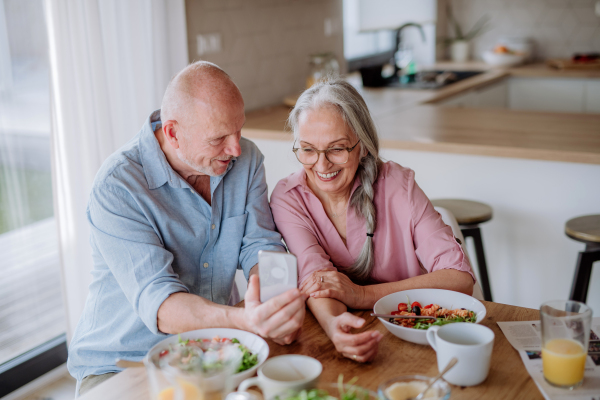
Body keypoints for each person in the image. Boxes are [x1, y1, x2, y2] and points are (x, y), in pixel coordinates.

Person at [67, 62, 307, 395]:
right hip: (123, 364)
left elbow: (261, 245)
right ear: (173, 133)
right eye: (219, 138)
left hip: (215, 351)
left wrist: (276, 302)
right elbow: (161, 305)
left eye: (239, 130)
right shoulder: (118, 186)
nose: (236, 148)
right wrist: (247, 321)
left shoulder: (246, 159)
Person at [269, 79, 474, 363]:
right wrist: (336, 327)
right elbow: (316, 278)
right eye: (307, 149)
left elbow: (459, 278)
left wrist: (361, 296)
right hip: (342, 338)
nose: (322, 164)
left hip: (413, 330)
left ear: (362, 146)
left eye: (337, 149)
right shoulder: (289, 197)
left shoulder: (399, 186)